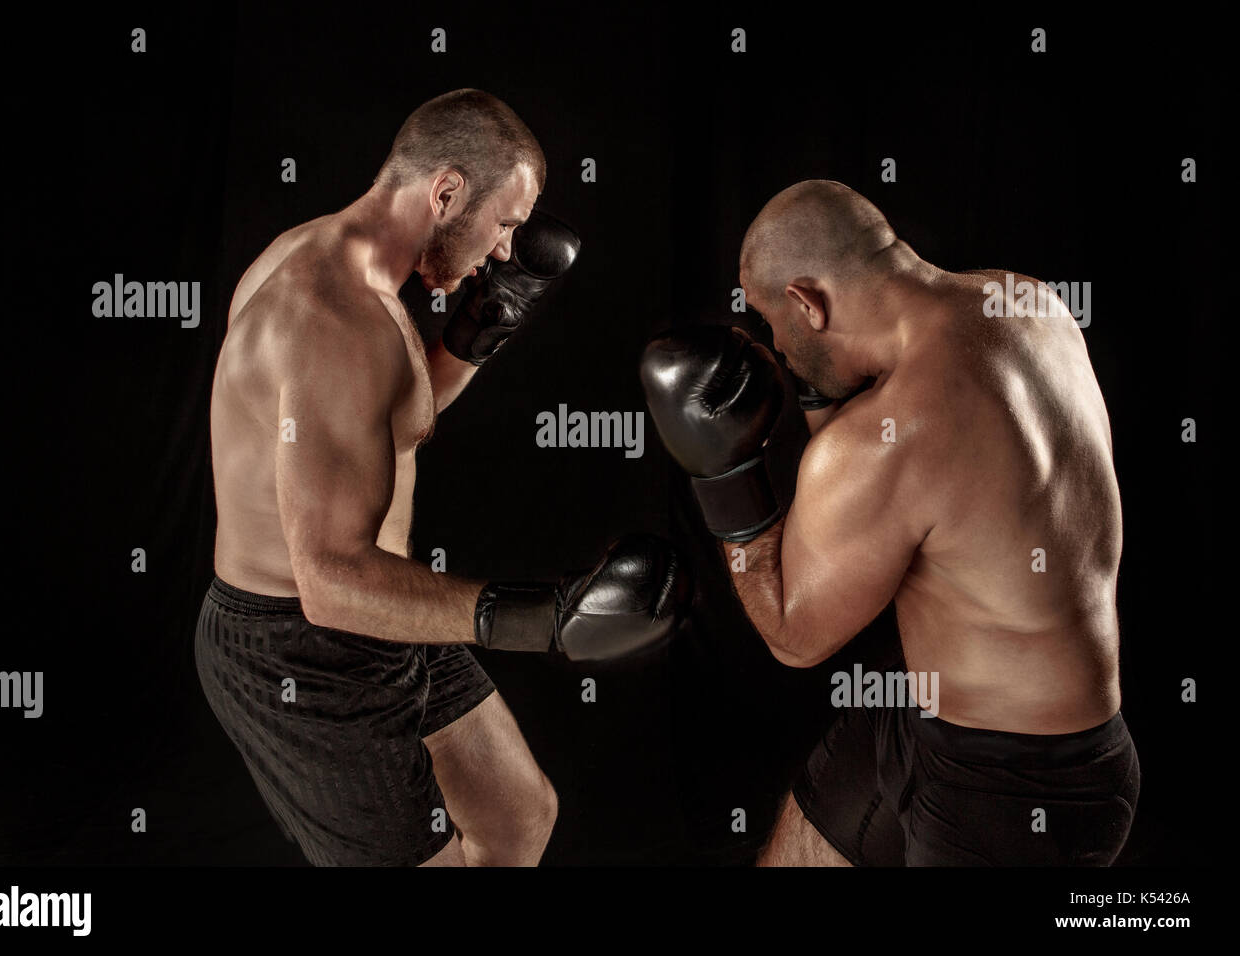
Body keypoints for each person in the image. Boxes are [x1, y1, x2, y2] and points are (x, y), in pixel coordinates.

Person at [196, 89, 686, 867]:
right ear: (448, 191)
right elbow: (326, 580)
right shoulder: (329, 315)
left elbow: (391, 422)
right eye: (507, 224)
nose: (504, 250)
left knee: (518, 817)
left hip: (378, 611)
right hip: (302, 648)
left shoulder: (339, 263)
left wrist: (487, 321)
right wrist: (548, 618)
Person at [641, 180, 1137, 866]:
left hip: (1019, 793)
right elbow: (918, 492)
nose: (773, 346)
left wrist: (721, 477)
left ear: (807, 302)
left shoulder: (888, 442)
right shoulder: (1030, 304)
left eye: (770, 321)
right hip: (929, 707)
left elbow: (794, 637)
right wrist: (819, 388)